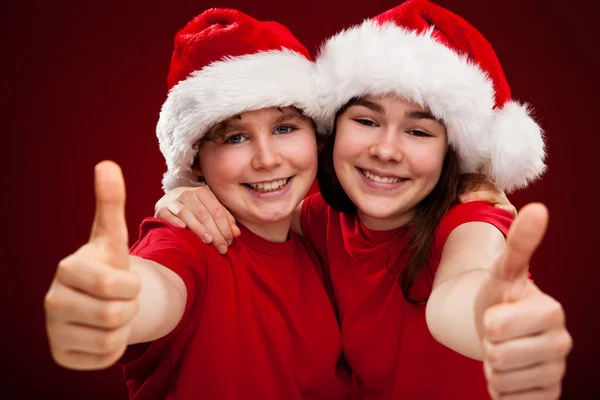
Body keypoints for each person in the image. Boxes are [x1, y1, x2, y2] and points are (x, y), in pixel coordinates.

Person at [153, 1, 572, 399]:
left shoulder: (472, 219)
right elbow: (251, 211)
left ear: (451, 153)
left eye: (419, 131)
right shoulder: (319, 221)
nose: (386, 151)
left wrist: (495, 320)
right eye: (367, 121)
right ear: (330, 133)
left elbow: (464, 288)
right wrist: (185, 191)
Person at [44, 9, 351, 399]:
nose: (267, 159)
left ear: (319, 140)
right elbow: (157, 285)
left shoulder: (320, 241)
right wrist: (109, 302)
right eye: (234, 138)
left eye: (285, 128)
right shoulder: (190, 243)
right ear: (195, 162)